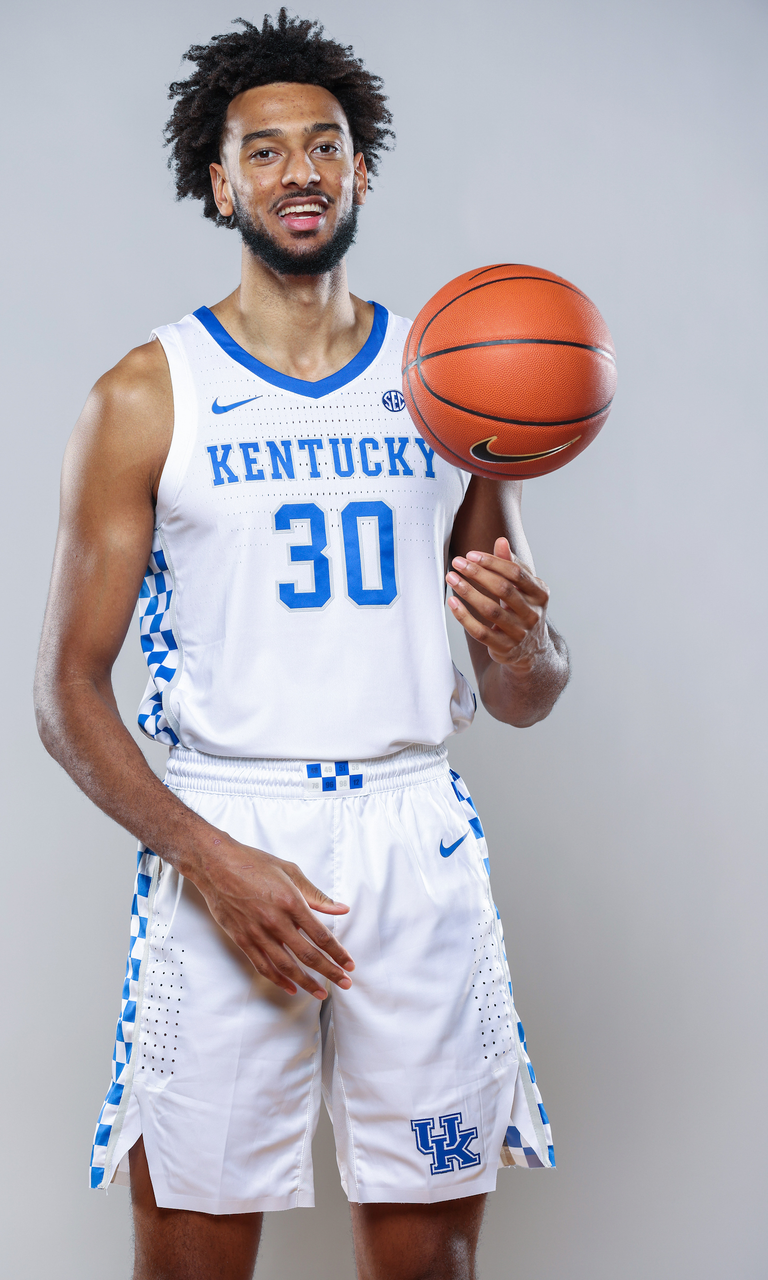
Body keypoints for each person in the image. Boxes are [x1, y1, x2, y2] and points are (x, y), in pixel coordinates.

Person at [34, 11, 569, 1279]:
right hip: (230, 823)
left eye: (324, 145)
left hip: (410, 832)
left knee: (428, 1259)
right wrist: (208, 859)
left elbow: (527, 689)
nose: (300, 172)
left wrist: (529, 642)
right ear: (218, 183)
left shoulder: (450, 381)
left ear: (362, 169)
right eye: (263, 151)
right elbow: (64, 692)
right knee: (191, 1262)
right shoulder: (145, 393)